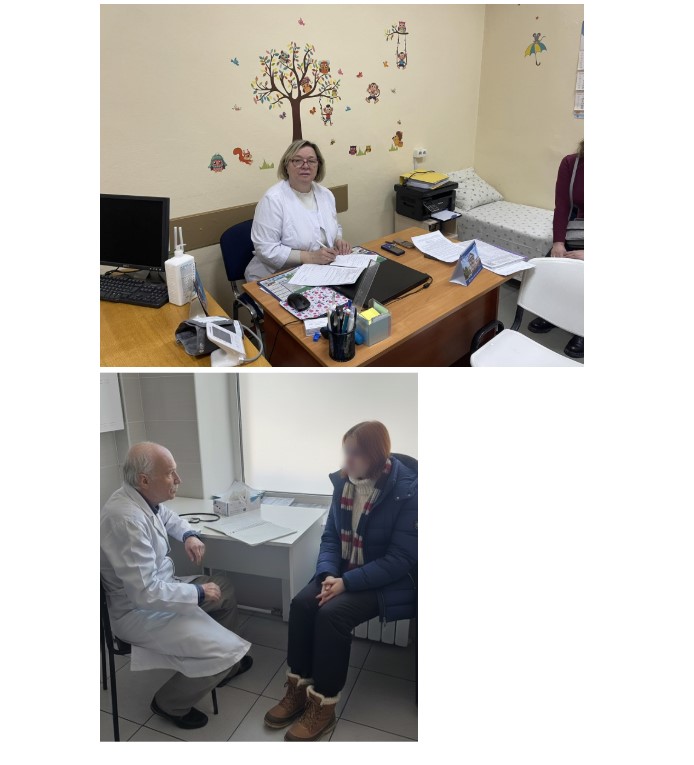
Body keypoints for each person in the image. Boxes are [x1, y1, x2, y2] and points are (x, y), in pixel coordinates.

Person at [264, 421, 418, 741]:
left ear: (376, 456)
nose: (346, 460)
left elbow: (401, 559)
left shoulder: (407, 491)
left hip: (384, 579)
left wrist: (347, 584)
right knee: (302, 605)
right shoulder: (343, 484)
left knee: (332, 615)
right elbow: (331, 538)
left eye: (355, 453)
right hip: (342, 572)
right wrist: (328, 576)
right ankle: (297, 690)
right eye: (345, 451)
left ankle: (324, 705)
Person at [100, 442, 253, 730]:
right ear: (145, 480)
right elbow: (146, 594)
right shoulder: (125, 520)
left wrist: (189, 535)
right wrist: (198, 592)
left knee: (223, 587)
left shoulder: (140, 498)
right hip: (138, 612)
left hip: (161, 592)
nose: (178, 480)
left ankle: (226, 667)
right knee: (223, 650)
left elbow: (168, 518)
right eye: (171, 473)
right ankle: (170, 702)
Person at [245, 139, 351, 282]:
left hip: (318, 270)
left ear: (318, 165)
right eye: (297, 160)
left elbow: (334, 225)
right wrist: (310, 257)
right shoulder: (273, 200)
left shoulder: (326, 194)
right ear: (286, 166)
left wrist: (338, 240)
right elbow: (266, 249)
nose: (305, 166)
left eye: (311, 161)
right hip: (276, 274)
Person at [528, 139, 584, 358]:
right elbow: (562, 206)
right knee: (550, 266)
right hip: (576, 231)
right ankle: (552, 314)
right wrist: (558, 243)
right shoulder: (572, 163)